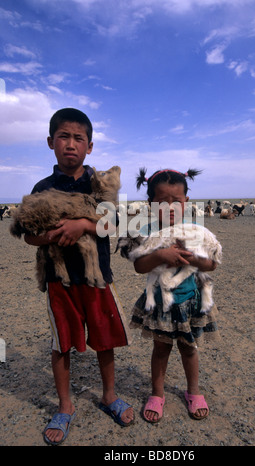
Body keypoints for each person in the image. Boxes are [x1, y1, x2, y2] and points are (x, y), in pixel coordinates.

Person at [24, 108, 134, 445]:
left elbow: (118, 223)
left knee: (105, 339)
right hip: (60, 281)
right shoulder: (42, 188)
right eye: (63, 136)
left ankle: (109, 395)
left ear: (90, 146)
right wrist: (49, 236)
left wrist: (82, 225)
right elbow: (28, 233)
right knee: (61, 344)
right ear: (50, 142)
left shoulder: (99, 184)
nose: (70, 144)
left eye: (78, 138)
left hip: (97, 277)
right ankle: (65, 405)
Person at [123, 168, 220, 423]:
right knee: (161, 349)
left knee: (189, 349)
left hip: (190, 301)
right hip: (160, 304)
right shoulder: (146, 232)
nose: (170, 207)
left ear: (186, 201)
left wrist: (193, 256)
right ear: (150, 204)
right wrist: (160, 256)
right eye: (162, 201)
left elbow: (212, 264)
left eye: (175, 201)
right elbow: (138, 266)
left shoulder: (196, 229)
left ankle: (194, 392)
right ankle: (157, 393)